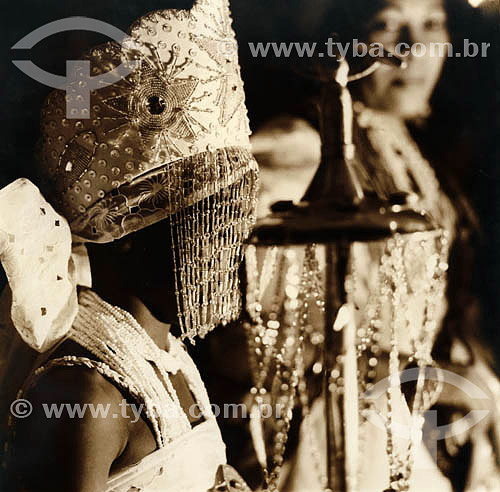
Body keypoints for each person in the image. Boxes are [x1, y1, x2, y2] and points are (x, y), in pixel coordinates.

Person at [211, 0, 499, 490]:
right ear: (340, 38)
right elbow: (244, 341)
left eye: (432, 24)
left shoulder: (401, 142)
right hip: (332, 440)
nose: (414, 49)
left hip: (410, 427)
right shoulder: (301, 149)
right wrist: (431, 381)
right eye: (387, 25)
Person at [0, 1, 259, 490]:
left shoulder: (171, 358)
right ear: (121, 235)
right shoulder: (84, 392)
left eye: (238, 230)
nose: (234, 257)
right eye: (212, 229)